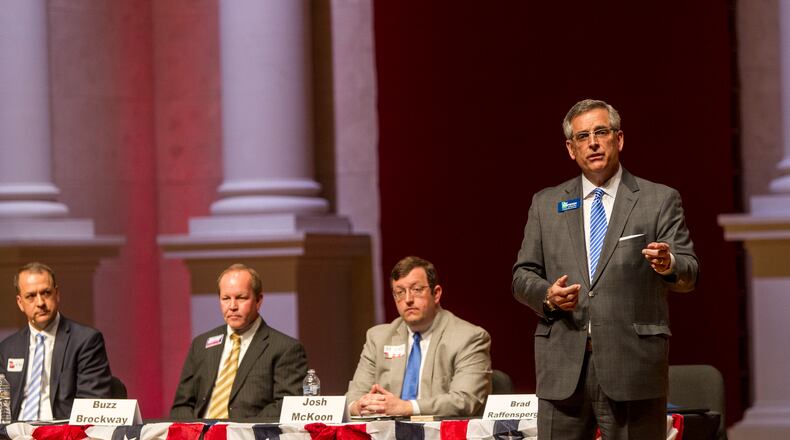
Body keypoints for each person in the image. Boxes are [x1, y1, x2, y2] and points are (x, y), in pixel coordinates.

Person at [512, 99, 699, 439]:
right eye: (582, 136)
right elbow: (522, 276)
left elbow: (689, 271)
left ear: (619, 139)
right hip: (563, 369)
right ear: (571, 149)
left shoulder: (659, 199)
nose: (593, 142)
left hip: (633, 366)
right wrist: (548, 296)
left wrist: (667, 263)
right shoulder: (546, 203)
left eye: (601, 132)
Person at [346, 256, 492, 417]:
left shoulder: (468, 337)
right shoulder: (378, 338)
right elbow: (353, 397)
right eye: (399, 292)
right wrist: (359, 406)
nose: (408, 300)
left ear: (436, 294)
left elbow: (465, 400)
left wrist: (407, 407)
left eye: (416, 290)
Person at [170, 263, 307, 420]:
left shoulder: (285, 349)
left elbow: (287, 406)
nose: (232, 306)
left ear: (259, 300)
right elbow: (182, 406)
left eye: (241, 298)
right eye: (226, 298)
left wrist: (236, 431)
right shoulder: (201, 345)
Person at [0, 262, 113, 421]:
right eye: (31, 296)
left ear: (57, 294)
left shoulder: (85, 341)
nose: (40, 303)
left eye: (46, 293)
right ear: (20, 303)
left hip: (61, 434)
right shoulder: (7, 348)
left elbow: (93, 406)